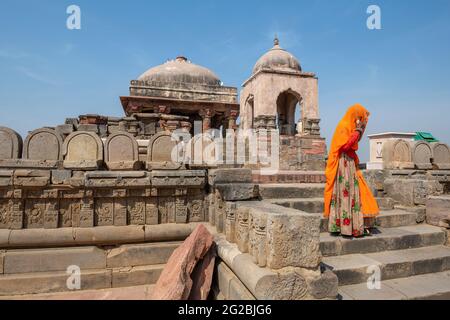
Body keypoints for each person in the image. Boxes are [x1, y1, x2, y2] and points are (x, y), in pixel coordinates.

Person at [324, 104, 379, 237]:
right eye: (358, 117)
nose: (359, 120)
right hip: (343, 163)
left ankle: (353, 225)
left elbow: (353, 142)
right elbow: (345, 146)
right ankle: (344, 226)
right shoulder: (344, 126)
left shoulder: (350, 126)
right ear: (354, 115)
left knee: (352, 193)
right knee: (345, 192)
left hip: (349, 162)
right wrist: (358, 131)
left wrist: (359, 130)